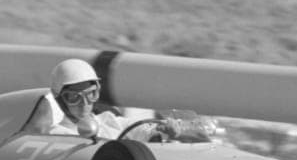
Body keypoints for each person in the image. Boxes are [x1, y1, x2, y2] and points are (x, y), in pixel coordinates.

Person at [30, 59, 214, 141]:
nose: (84, 103)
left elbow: (144, 130)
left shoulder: (110, 122)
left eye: (90, 94)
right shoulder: (55, 136)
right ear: (60, 100)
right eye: (73, 97)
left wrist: (170, 129)